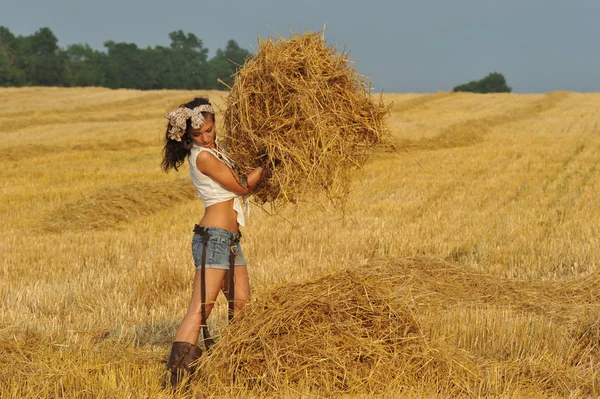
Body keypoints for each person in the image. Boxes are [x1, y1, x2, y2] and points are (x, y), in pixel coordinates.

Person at [160, 97, 264, 387]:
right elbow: (243, 184)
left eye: (209, 129)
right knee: (201, 307)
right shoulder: (202, 157)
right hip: (213, 239)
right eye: (197, 134)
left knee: (242, 303)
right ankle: (178, 381)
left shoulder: (217, 150)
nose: (205, 137)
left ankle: (238, 366)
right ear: (186, 137)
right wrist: (270, 163)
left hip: (231, 239)